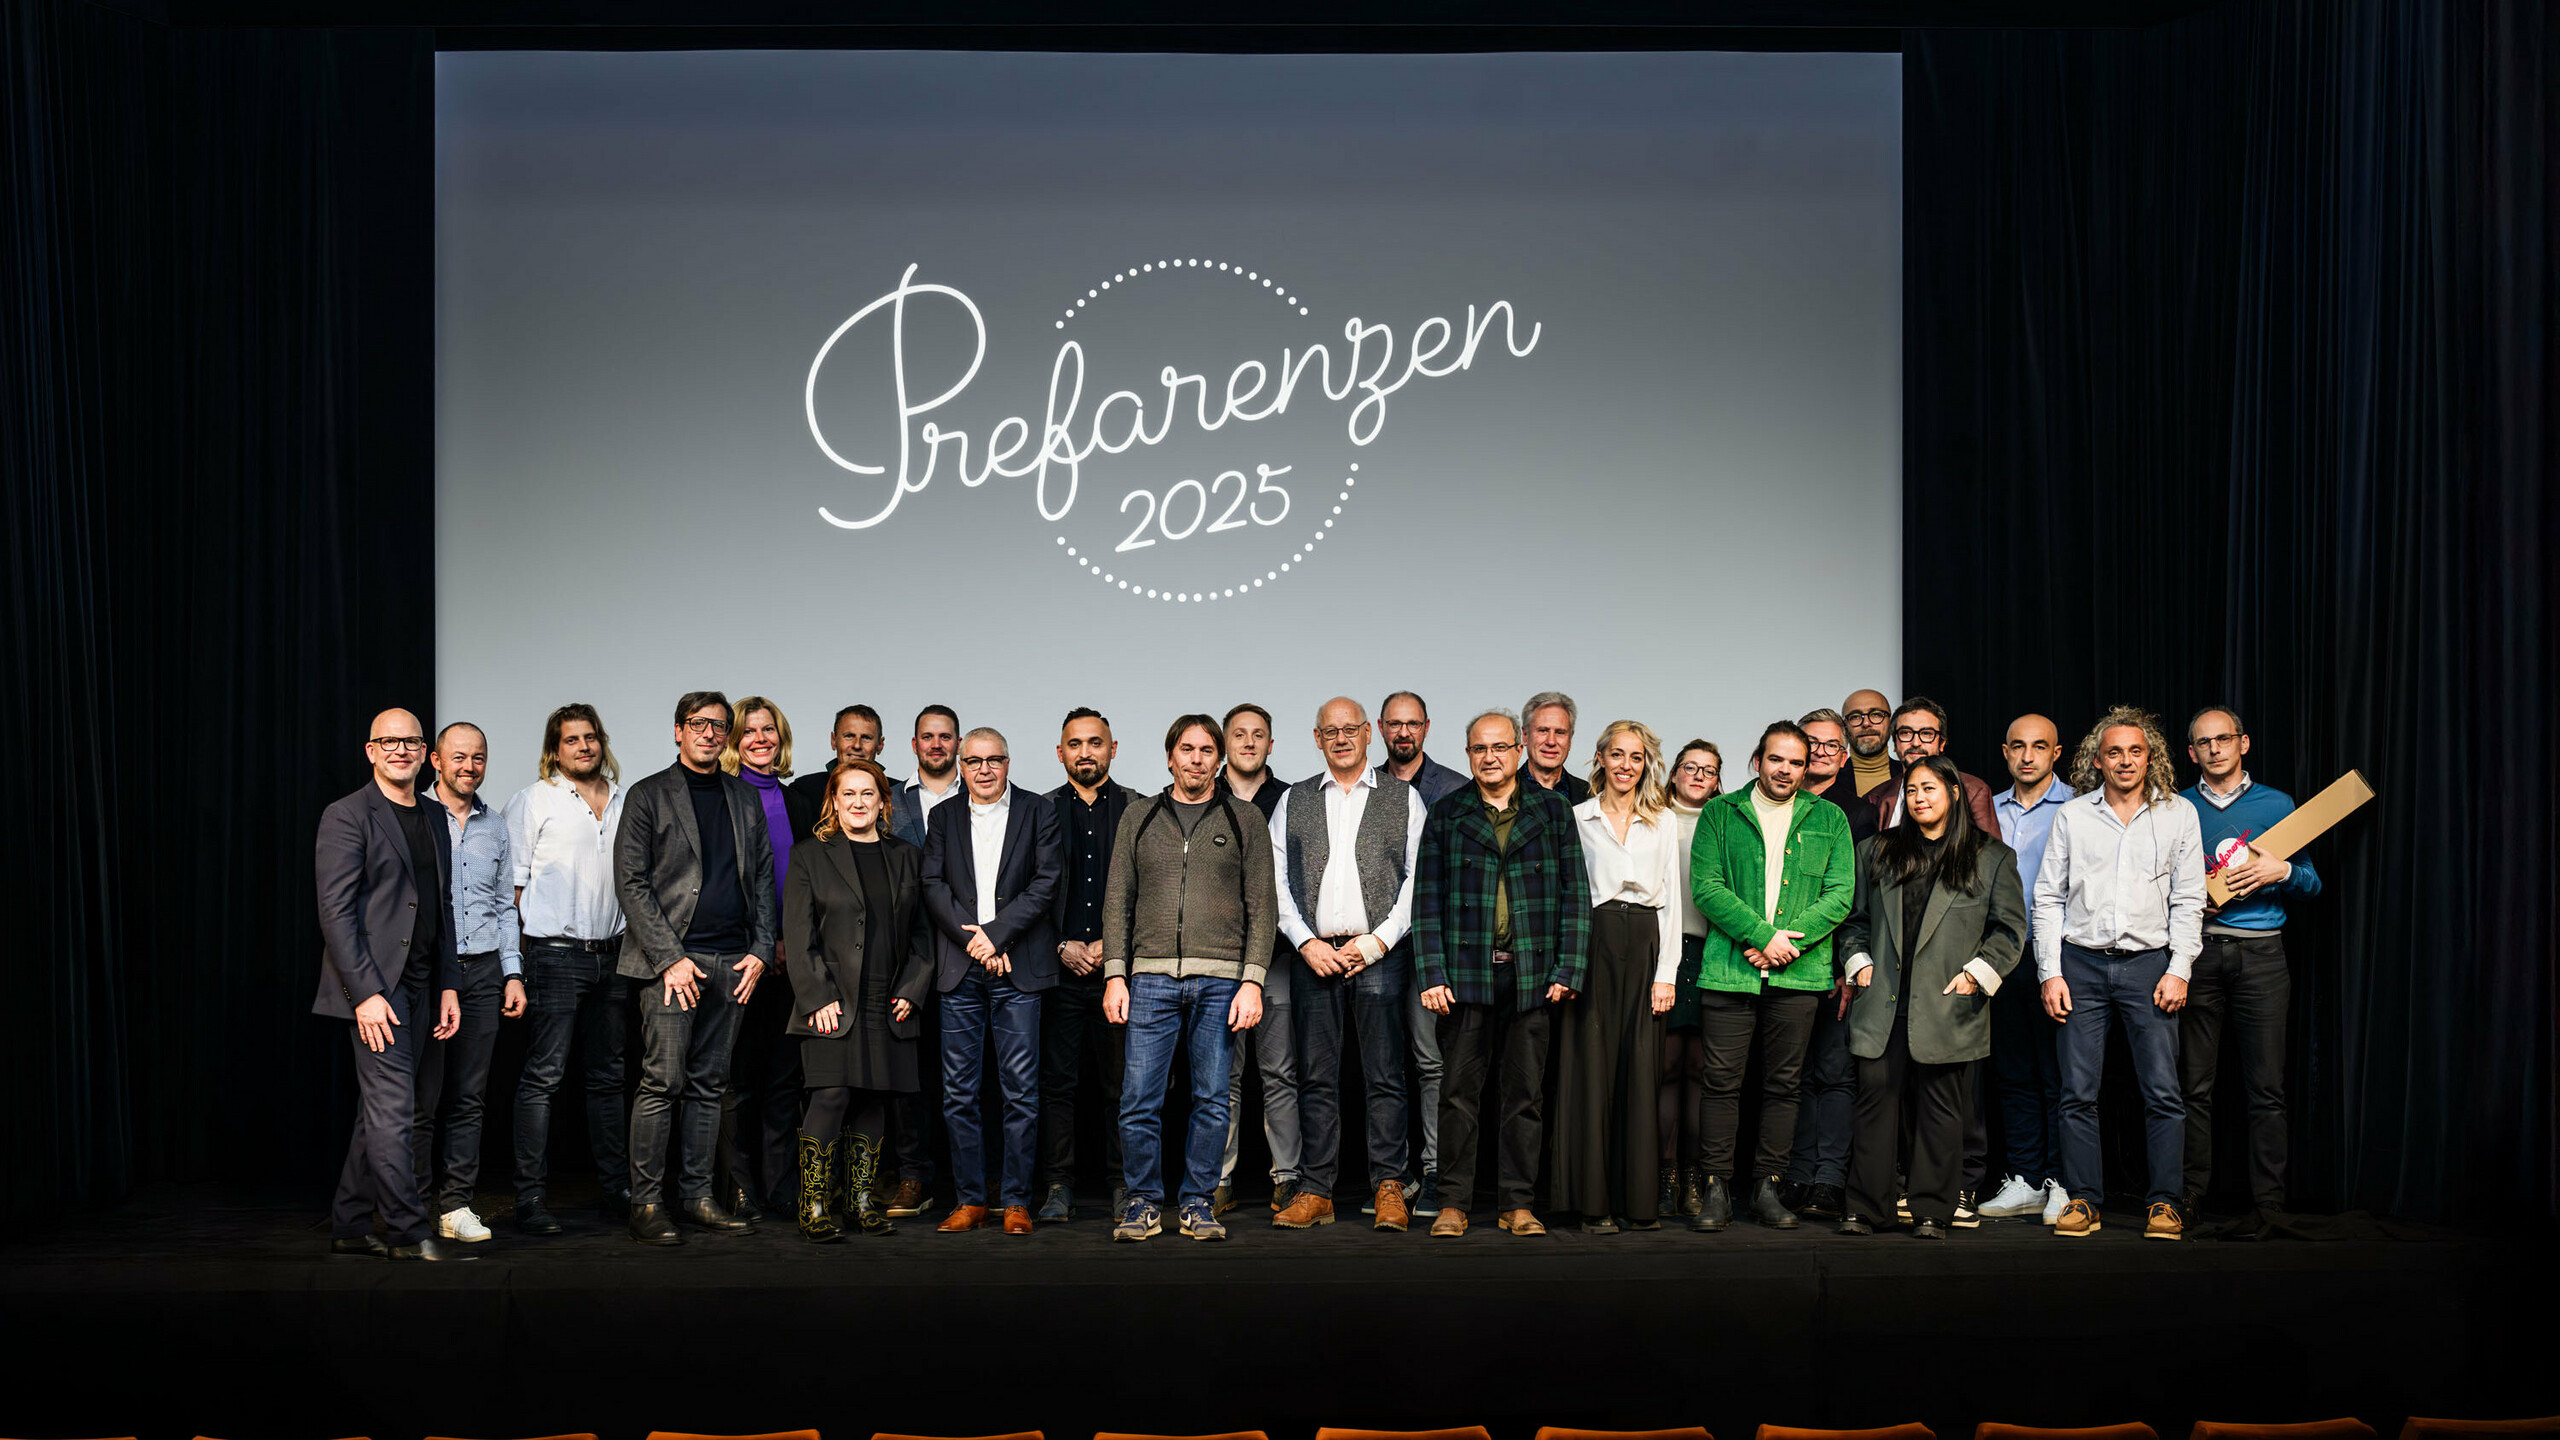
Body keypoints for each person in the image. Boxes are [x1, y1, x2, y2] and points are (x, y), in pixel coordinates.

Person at [1414, 709, 1590, 1239]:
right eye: (1478, 749)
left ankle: (1517, 1204)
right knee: (1458, 1096)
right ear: (1468, 755)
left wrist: (1568, 966)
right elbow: (1427, 902)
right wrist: (1431, 974)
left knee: (1525, 1097)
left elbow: (1575, 897)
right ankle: (1453, 1204)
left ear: (1518, 750)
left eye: (1499, 747)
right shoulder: (1447, 812)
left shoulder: (1554, 810)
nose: (1489, 757)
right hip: (1466, 975)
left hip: (1534, 974)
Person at [1102, 715, 1279, 1243]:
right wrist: (1116, 975)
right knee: (1138, 1099)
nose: (1197, 759)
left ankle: (1199, 1202)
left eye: (1207, 750)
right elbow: (1118, 902)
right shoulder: (1139, 816)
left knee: (1211, 1098)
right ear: (1170, 756)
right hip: (1150, 979)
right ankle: (1142, 1203)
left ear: (1219, 759)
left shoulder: (1243, 818)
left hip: (1222, 981)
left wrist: (1252, 981)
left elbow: (1262, 906)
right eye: (1187, 749)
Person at [1834, 757, 2027, 1238]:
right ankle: (1865, 1208)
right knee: (1875, 1103)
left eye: (1929, 788)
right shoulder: (1875, 851)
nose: (1919, 797)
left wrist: (1976, 976)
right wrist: (1859, 965)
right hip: (1883, 1001)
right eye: (1912, 790)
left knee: (1942, 1112)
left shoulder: (1991, 856)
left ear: (1954, 793)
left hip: (1949, 1001)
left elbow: (2009, 930)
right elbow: (1854, 921)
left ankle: (1931, 1212)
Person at [2035, 706, 2206, 1241]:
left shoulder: (2179, 814)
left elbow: (2189, 898)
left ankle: (2164, 1204)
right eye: (2114, 751)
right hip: (2080, 966)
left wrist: (2179, 969)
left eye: (2135, 751)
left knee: (2162, 1092)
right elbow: (2047, 898)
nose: (2125, 761)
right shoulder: (2073, 816)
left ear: (2149, 757)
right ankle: (2084, 1200)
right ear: (2097, 760)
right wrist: (2050, 972)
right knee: (2077, 1093)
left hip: (2150, 966)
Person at [613, 690, 777, 1245]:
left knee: (710, 1085)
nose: (710, 733)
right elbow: (631, 886)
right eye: (698, 724)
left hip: (733, 963)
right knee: (662, 1082)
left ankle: (698, 1196)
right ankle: (647, 1204)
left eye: (719, 726)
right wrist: (669, 960)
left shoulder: (742, 798)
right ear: (677, 730)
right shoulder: (647, 795)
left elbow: (760, 879)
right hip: (672, 968)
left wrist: (760, 948)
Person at [1684, 720, 1854, 1233]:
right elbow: (1707, 887)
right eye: (1776, 759)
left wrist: (1786, 942)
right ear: (1757, 761)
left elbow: (1840, 893)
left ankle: (1767, 1189)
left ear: (1807, 768)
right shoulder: (1720, 812)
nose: (1785, 770)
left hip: (1799, 977)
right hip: (1729, 972)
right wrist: (1762, 936)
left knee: (1783, 1086)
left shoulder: (1831, 818)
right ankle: (1716, 1189)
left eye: (1796, 762)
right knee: (1721, 1084)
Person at [314, 709, 470, 1261]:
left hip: (428, 987)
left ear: (423, 750)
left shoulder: (432, 815)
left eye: (410, 741)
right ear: (371, 750)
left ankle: (352, 1223)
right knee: (394, 1108)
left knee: (396, 1107)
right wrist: (366, 994)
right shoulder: (347, 815)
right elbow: (335, 913)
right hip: (379, 989)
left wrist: (450, 984)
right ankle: (407, 1230)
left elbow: (444, 908)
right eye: (389, 741)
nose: (400, 749)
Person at [1266, 698, 1424, 1232]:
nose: (1341, 738)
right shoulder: (1293, 800)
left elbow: (1416, 883)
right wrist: (1306, 942)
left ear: (1367, 734)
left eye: (1351, 729)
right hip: (1315, 954)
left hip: (1378, 954)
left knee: (1385, 1076)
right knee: (1316, 1079)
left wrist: (1375, 944)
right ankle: (1317, 1191)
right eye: (1330, 731)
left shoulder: (1404, 799)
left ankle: (1388, 1188)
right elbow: (1276, 883)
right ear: (1316, 738)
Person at [783, 758, 935, 1242]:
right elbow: (797, 933)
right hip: (831, 1000)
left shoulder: (907, 857)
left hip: (886, 1000)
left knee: (874, 1097)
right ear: (833, 801)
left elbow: (923, 937)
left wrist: (911, 991)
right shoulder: (810, 855)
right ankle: (813, 1204)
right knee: (831, 1095)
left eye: (868, 794)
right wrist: (816, 998)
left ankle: (860, 1201)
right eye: (848, 794)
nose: (858, 802)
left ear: (882, 802)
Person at [920, 727, 1064, 1236]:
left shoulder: (1037, 811)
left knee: (1020, 1092)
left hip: (1017, 968)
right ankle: (971, 1200)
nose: (984, 769)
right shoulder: (942, 817)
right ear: (961, 766)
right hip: (961, 971)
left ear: (1008, 763)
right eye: (974, 760)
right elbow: (932, 885)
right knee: (959, 1092)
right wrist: (974, 943)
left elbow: (1046, 882)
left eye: (994, 760)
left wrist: (997, 937)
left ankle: (1018, 1201)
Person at [2180, 704, 2322, 1219]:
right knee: (2192, 1086)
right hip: (2195, 957)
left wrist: (2280, 870)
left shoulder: (2278, 804)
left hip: (2263, 956)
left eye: (2223, 739)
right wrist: (2193, 897)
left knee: (2266, 1087)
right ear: (2191, 751)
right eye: (2203, 742)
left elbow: (2312, 883)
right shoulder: (2176, 807)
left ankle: (2269, 1203)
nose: (2214, 749)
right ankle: (2189, 1197)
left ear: (2244, 744)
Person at [503, 703, 630, 1236]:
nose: (583, 747)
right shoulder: (534, 801)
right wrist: (513, 966)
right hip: (554, 954)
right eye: (571, 740)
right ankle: (529, 1199)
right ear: (554, 750)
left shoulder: (627, 801)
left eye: (590, 737)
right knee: (543, 1080)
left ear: (601, 742)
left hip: (617, 954)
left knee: (609, 1079)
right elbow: (509, 892)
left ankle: (616, 1190)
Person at [1558, 721, 1683, 1233]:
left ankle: (1638, 1203)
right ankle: (1594, 1205)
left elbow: (1673, 900)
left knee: (1639, 1072)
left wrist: (1667, 973)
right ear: (1601, 759)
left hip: (1646, 940)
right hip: (1595, 940)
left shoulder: (1664, 820)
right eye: (1617, 755)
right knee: (1592, 1072)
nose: (1626, 765)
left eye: (1636, 757)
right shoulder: (1577, 818)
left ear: (1646, 763)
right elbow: (1570, 896)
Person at [417, 722, 523, 1245]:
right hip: (429, 972)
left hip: (482, 971)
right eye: (458, 757)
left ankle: (455, 1205)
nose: (469, 767)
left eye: (478, 758)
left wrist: (513, 973)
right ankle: (410, 1205)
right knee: (422, 1095)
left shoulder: (496, 826)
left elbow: (506, 906)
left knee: (469, 1096)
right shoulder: (414, 818)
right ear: (436, 760)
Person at [1037, 707, 1142, 1223]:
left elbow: (1155, 892)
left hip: (1119, 973)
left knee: (1122, 1087)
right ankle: (1058, 1185)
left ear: (1112, 749)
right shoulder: (1037, 811)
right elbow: (1024, 890)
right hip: (1056, 971)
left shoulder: (1139, 809)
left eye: (1094, 743)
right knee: (1057, 1085)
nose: (1085, 752)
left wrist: (1111, 947)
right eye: (1074, 744)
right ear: (1060, 753)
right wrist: (1062, 944)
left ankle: (1125, 1184)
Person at [716, 697, 817, 1221]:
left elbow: (809, 885)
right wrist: (761, 943)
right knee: (737, 1079)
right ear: (734, 740)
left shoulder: (797, 800)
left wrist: (787, 943)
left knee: (785, 1079)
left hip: (792, 959)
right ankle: (738, 1187)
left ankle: (780, 1187)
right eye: (749, 731)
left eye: (769, 729)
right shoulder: (724, 798)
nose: (761, 739)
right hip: (739, 959)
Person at [1978, 713, 2077, 1224]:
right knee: (2013, 1073)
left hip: (2061, 956)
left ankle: (2063, 1181)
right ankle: (2025, 1179)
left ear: (2056, 753)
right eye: (2017, 746)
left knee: (2060, 1076)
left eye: (2039, 746)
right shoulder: (1987, 809)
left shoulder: (2082, 807)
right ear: (2005, 751)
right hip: (2003, 955)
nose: (2028, 755)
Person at [1378, 690, 1467, 1219]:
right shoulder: (1363, 788)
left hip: (1431, 946)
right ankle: (1392, 1175)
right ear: (1380, 730)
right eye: (1394, 724)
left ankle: (1435, 1171)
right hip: (1377, 947)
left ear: (1427, 728)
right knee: (1383, 1065)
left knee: (1432, 1063)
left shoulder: (1454, 789)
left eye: (1412, 724)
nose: (1403, 733)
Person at [1783, 707, 1867, 1222]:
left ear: (1844, 755)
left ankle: (1829, 1180)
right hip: (1778, 963)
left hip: (1835, 963)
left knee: (1834, 1073)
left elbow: (1853, 898)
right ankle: (1793, 1174)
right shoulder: (1774, 805)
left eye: (1830, 745)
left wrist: (1847, 963)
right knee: (1789, 1077)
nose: (1819, 751)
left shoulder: (1856, 814)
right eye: (1809, 742)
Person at [1215, 701, 1297, 1216]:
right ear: (1225, 743)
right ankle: (1219, 1178)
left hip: (1278, 956)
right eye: (1239, 734)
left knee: (1280, 1071)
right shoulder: (1200, 794)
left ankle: (1287, 1175)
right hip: (1220, 956)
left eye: (1258, 734)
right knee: (1221, 1074)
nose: (1248, 742)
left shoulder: (1291, 800)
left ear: (1271, 743)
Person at [882, 703, 961, 1217]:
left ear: (957, 744)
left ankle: (975, 1180)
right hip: (903, 957)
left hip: (964, 955)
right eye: (927, 737)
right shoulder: (886, 800)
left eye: (945, 737)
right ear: (913, 745)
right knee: (907, 1079)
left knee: (968, 1077)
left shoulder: (982, 794)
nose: (936, 744)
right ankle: (913, 1176)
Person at [1659, 740, 1721, 1217]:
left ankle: (1696, 1176)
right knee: (1665, 1067)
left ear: (1718, 780)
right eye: (1690, 767)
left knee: (1701, 1070)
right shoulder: (1653, 818)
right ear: (1675, 773)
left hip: (1711, 953)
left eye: (1709, 770)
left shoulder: (1726, 824)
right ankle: (1665, 1174)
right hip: (1662, 954)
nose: (1698, 776)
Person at [1872, 697, 2001, 835]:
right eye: (1906, 733)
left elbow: (1992, 853)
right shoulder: (1876, 797)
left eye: (1926, 734)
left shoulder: (1974, 790)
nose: (1916, 743)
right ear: (1895, 743)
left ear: (1942, 743)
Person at [789, 703, 888, 812]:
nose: (857, 745)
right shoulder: (804, 790)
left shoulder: (897, 793)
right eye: (849, 736)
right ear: (833, 740)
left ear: (880, 745)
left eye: (866, 738)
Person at [1520, 691, 1591, 804]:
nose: (1551, 741)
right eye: (1543, 731)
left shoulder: (1589, 795)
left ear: (1570, 739)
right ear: (1525, 736)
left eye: (1560, 732)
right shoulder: (1500, 791)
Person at [1841, 690, 1897, 799]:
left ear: (1891, 722)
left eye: (1876, 714)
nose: (1866, 723)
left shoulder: (1909, 775)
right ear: (1845, 726)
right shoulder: (1830, 780)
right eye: (1855, 717)